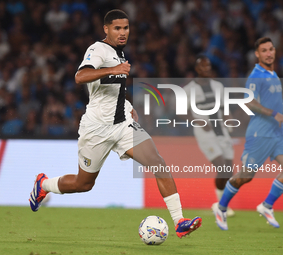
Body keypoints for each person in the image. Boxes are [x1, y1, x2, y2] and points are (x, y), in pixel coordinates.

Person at [29, 9, 202, 238]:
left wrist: (128, 105)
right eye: (117, 28)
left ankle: (179, 221)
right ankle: (44, 185)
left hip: (122, 125)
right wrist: (114, 69)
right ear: (106, 29)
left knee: (158, 163)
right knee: (83, 183)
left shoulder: (119, 53)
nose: (123, 33)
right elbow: (80, 76)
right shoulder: (97, 49)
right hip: (96, 129)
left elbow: (112, 88)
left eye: (126, 28)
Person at [213, 37, 283, 230]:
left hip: (277, 134)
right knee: (246, 175)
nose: (269, 53)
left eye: (271, 49)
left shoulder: (273, 74)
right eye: (264, 50)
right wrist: (274, 114)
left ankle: (267, 205)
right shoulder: (256, 75)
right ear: (257, 54)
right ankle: (221, 207)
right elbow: (248, 102)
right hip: (260, 133)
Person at [183, 55, 235, 217]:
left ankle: (223, 204)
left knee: (228, 169)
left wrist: (228, 118)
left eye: (208, 66)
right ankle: (220, 205)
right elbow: (183, 112)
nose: (206, 69)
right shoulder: (188, 89)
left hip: (222, 130)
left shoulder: (218, 86)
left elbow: (224, 106)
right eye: (203, 67)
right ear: (197, 69)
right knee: (221, 166)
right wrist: (199, 122)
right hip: (205, 133)